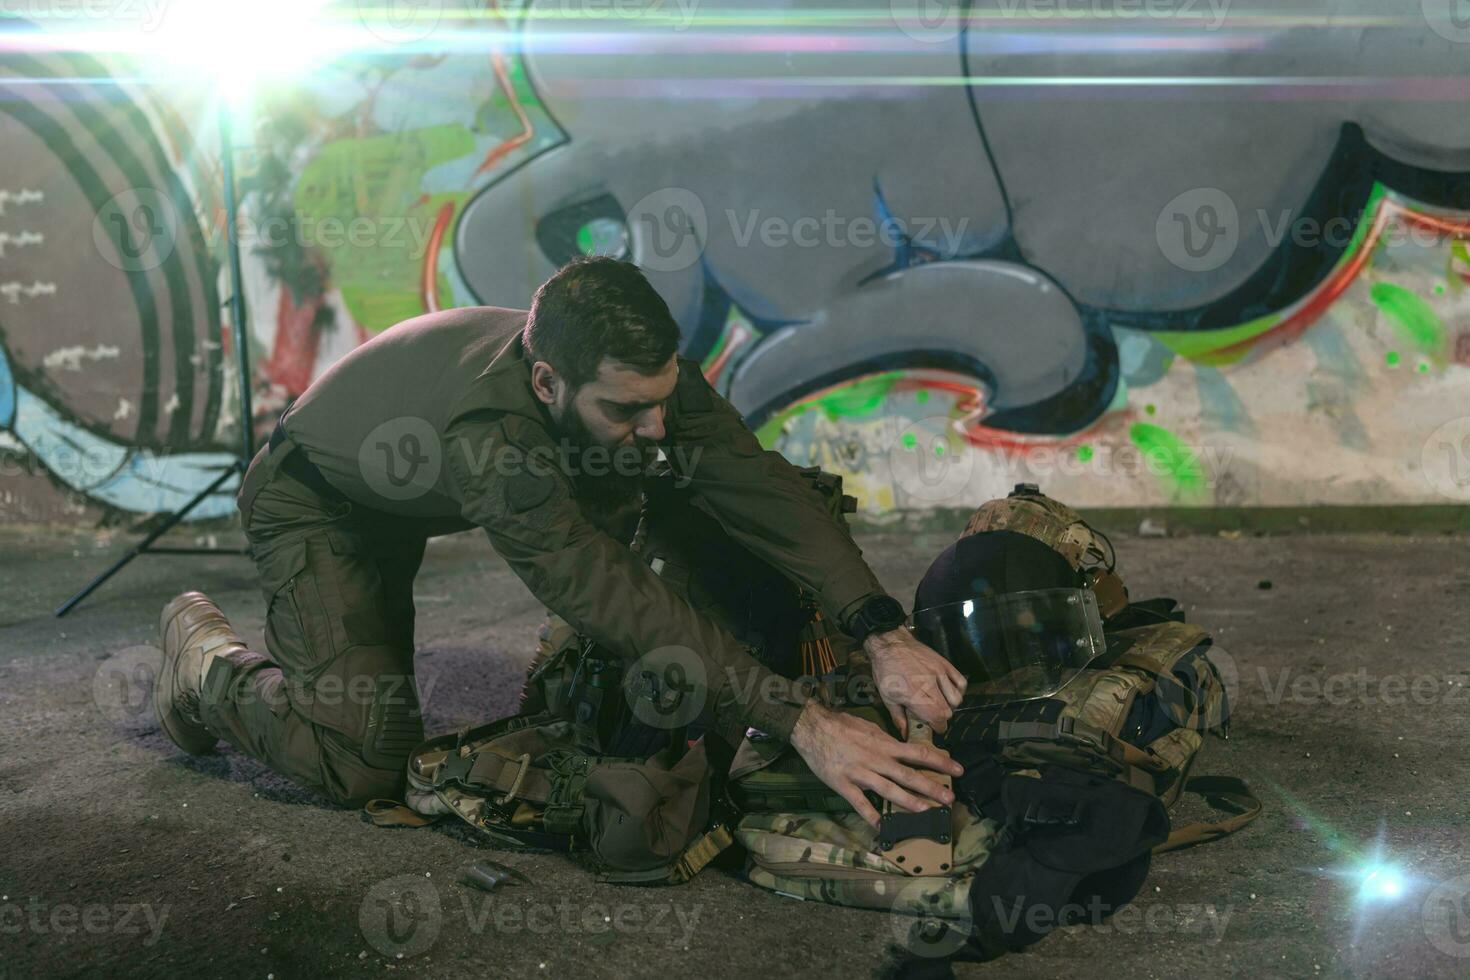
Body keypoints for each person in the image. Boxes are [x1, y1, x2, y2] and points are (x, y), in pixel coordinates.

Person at [154, 257, 965, 825]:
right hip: (323, 501)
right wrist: (802, 722)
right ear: (547, 381)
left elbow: (757, 488)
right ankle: (204, 665)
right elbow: (597, 583)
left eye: (662, 399)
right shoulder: (495, 440)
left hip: (423, 477)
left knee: (667, 478)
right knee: (361, 762)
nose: (655, 426)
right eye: (627, 409)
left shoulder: (632, 382)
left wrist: (879, 629)